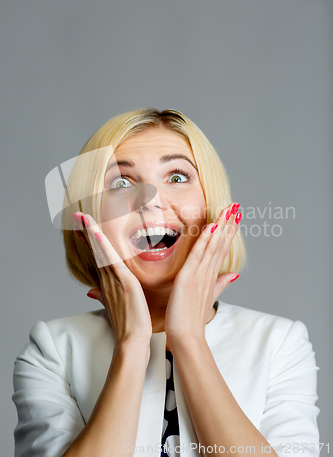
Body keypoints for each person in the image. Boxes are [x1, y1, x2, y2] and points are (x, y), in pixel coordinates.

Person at [12, 109, 320, 457]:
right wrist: (131, 346)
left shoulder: (280, 343)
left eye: (177, 176)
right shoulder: (51, 350)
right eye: (121, 183)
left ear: (212, 208)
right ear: (88, 228)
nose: (150, 201)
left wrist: (189, 339)